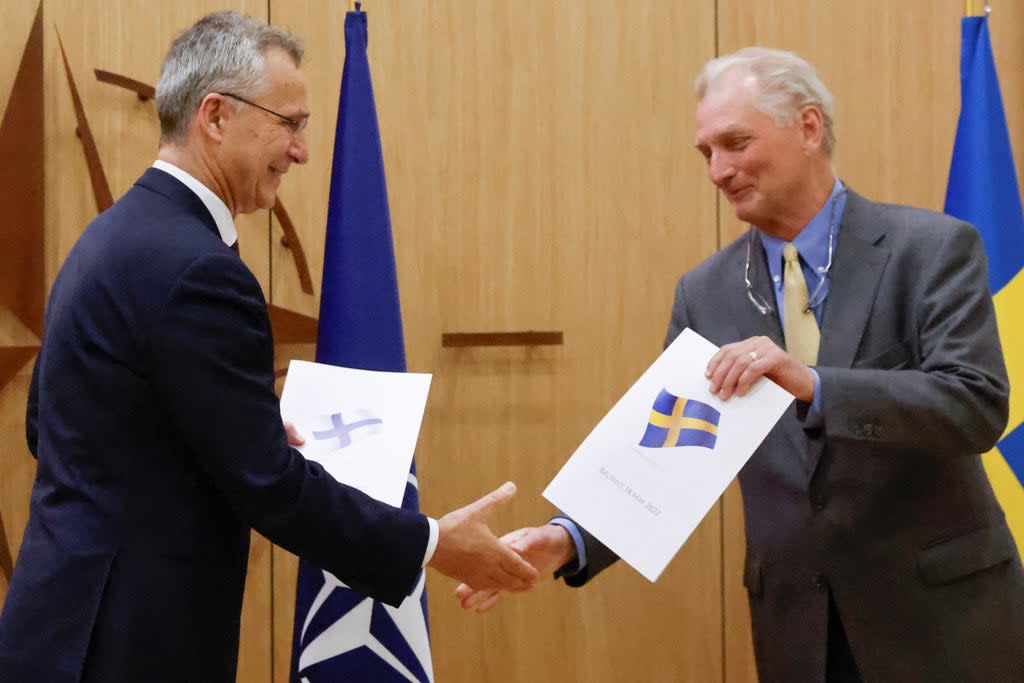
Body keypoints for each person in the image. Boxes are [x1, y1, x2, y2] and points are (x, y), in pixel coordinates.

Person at [0, 11, 537, 683]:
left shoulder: (106, 239)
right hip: (129, 644)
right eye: (290, 123)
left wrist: (218, 434)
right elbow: (270, 488)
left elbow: (49, 427)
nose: (303, 151)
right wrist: (431, 541)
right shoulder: (200, 269)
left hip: (56, 631)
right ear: (216, 116)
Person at [457, 47, 1024, 682]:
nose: (718, 171)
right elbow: (669, 455)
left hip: (942, 624)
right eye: (706, 153)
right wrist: (566, 539)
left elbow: (975, 406)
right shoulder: (705, 293)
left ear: (808, 128)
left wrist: (813, 384)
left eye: (735, 143)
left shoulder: (932, 250)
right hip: (799, 631)